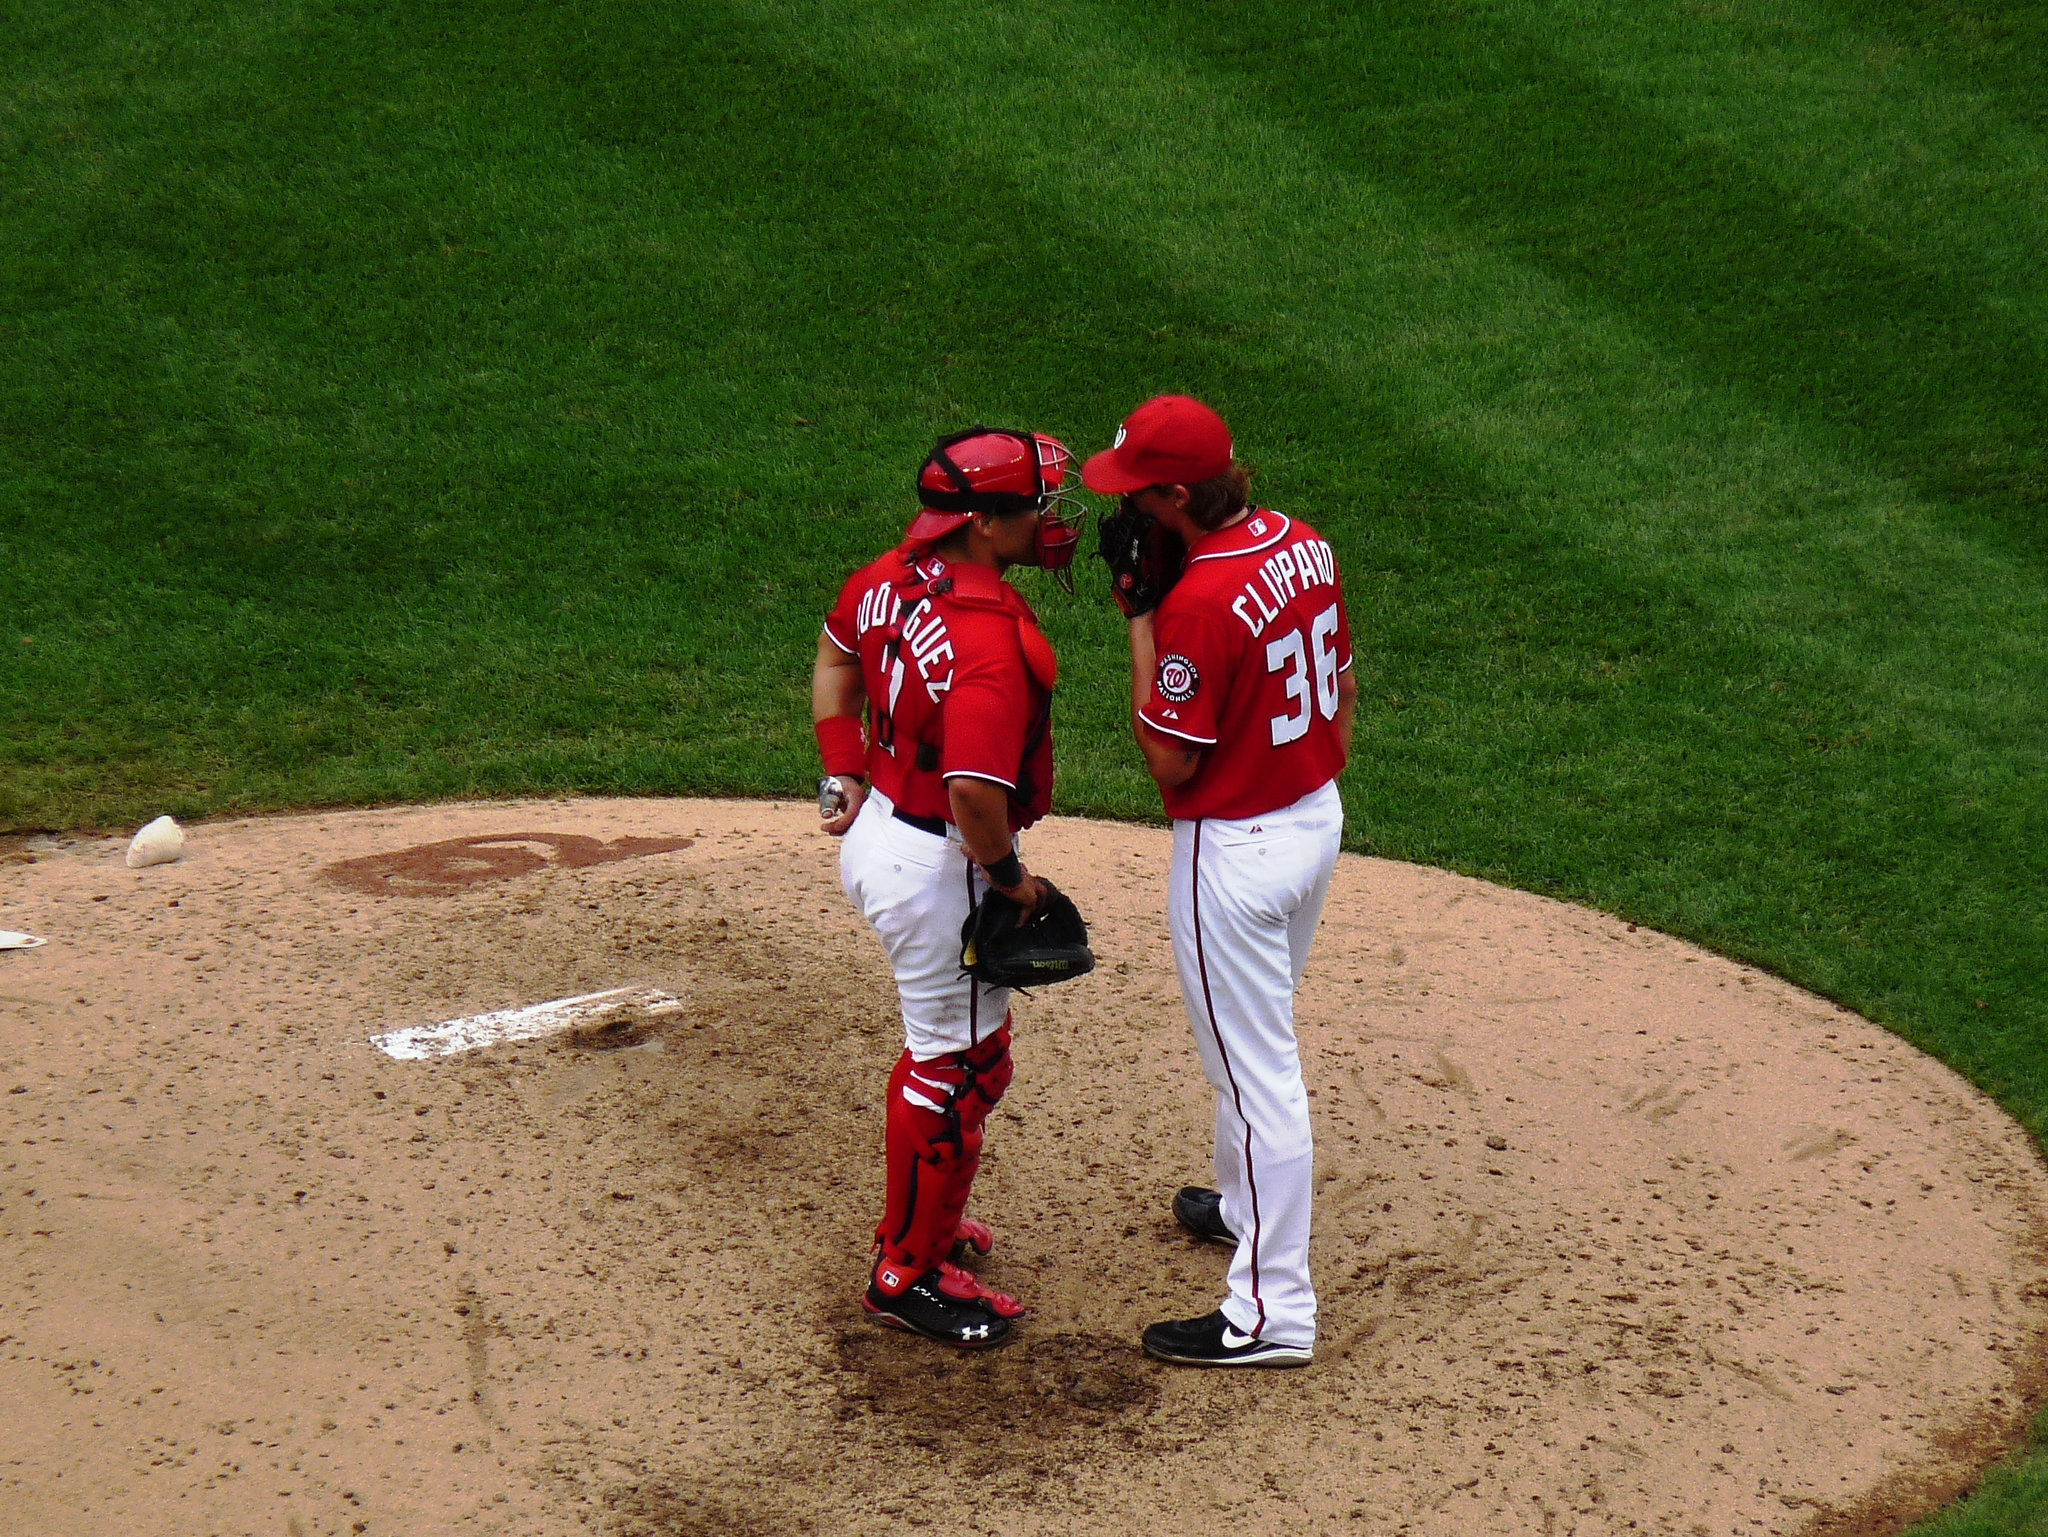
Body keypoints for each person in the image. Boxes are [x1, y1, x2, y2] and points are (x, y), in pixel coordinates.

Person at [1084, 395, 1355, 1368]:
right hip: (1312, 816)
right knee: (1257, 1044)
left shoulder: (1193, 603)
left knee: (1254, 1077)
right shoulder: (1305, 544)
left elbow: (1168, 759)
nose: (1126, 515)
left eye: (1137, 496)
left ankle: (1270, 1313)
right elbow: (1345, 690)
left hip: (1234, 849)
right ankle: (1242, 1208)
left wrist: (1141, 618)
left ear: (1177, 493)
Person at [812, 426, 1084, 1349]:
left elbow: (835, 659)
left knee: (961, 1052)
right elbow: (974, 792)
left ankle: (927, 1226)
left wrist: (841, 771)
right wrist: (1010, 877)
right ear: (984, 522)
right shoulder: (992, 644)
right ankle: (908, 1272)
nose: (1053, 523)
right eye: (1038, 507)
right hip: (937, 864)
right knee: (957, 1067)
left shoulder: (887, 574)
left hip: (882, 834)